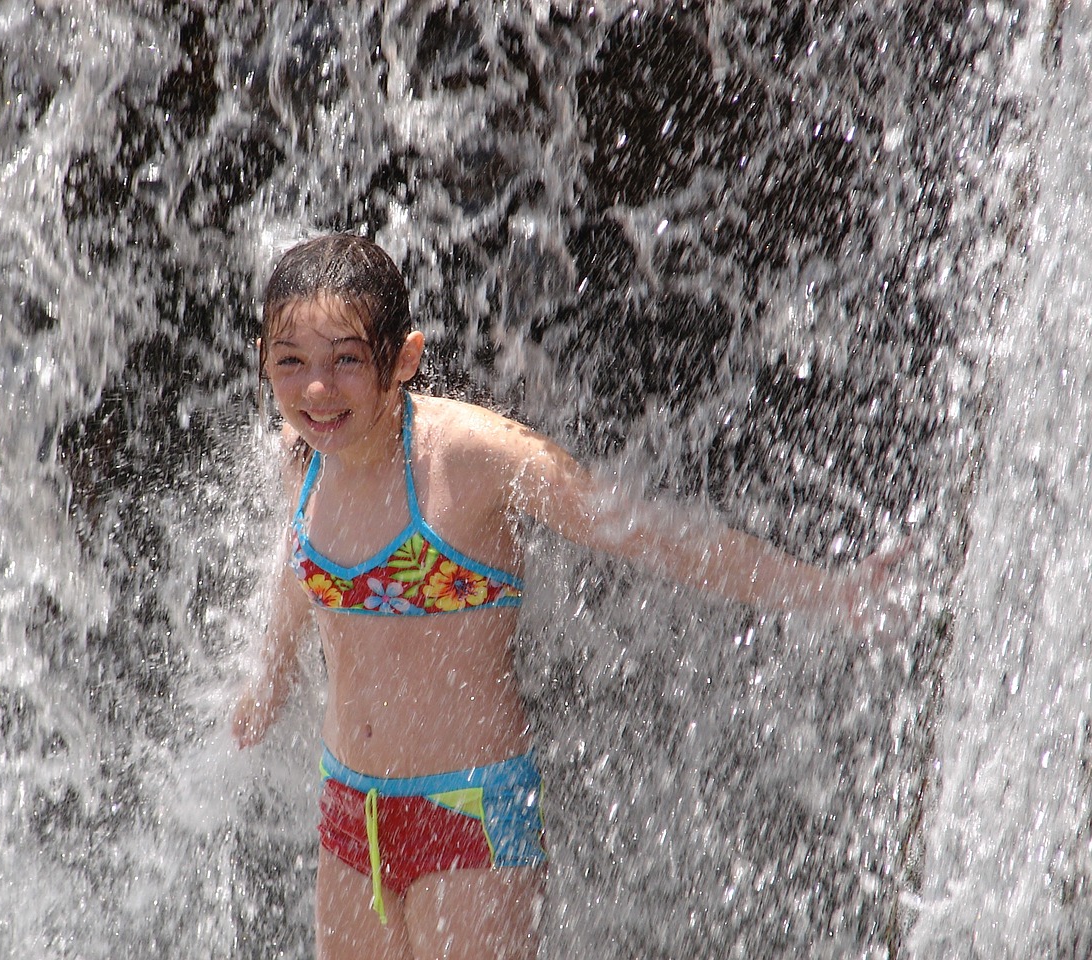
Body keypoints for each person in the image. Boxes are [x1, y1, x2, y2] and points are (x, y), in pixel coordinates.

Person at [231, 233, 908, 960]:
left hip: (467, 812)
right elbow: (302, 565)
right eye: (290, 362)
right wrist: (266, 684)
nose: (316, 389)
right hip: (349, 817)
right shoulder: (304, 455)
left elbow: (646, 533)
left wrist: (827, 593)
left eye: (346, 360)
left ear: (403, 359)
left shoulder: (474, 459)